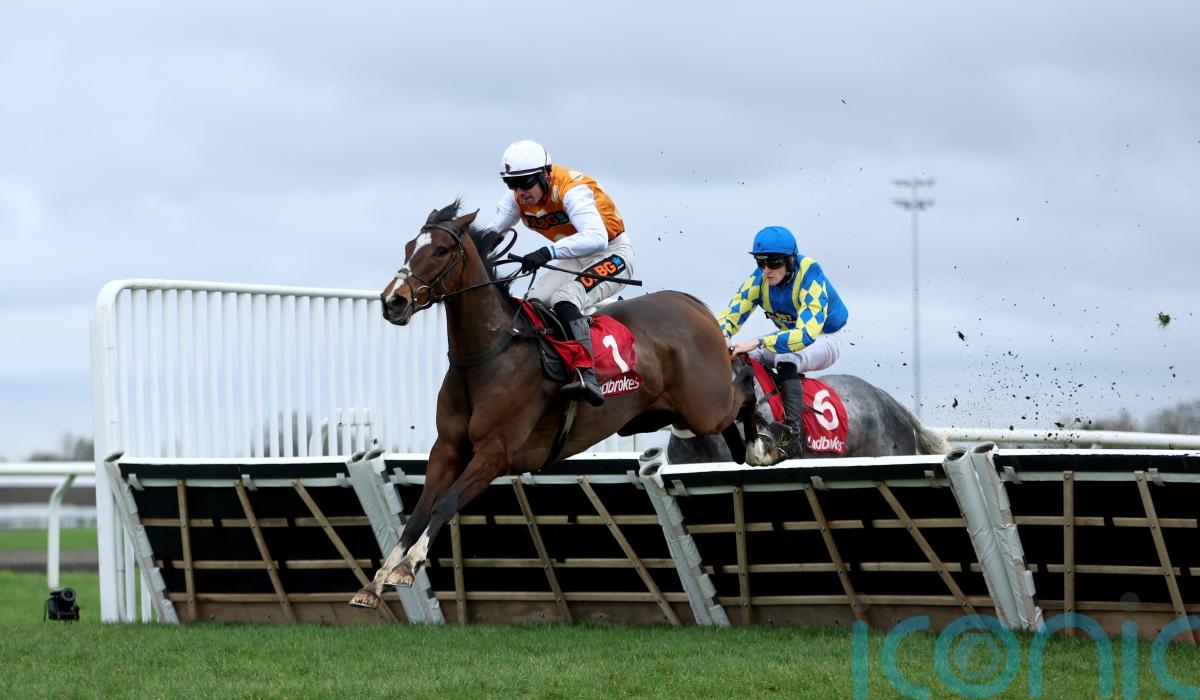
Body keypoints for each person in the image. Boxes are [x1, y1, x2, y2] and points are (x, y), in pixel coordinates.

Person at [483, 139, 635, 407]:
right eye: (512, 184)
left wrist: (547, 252)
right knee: (533, 304)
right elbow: (493, 233)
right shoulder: (516, 198)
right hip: (574, 256)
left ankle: (588, 373)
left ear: (545, 174)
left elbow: (597, 238)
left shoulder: (571, 190)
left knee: (564, 299)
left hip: (612, 253)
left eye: (525, 182)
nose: (520, 192)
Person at [717, 225, 849, 454]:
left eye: (774, 263)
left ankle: (792, 433)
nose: (766, 270)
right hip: (791, 335)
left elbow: (805, 334)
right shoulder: (759, 279)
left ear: (791, 260)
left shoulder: (810, 275)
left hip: (823, 337)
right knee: (743, 355)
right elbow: (730, 315)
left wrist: (758, 342)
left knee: (785, 357)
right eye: (761, 262)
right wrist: (723, 336)